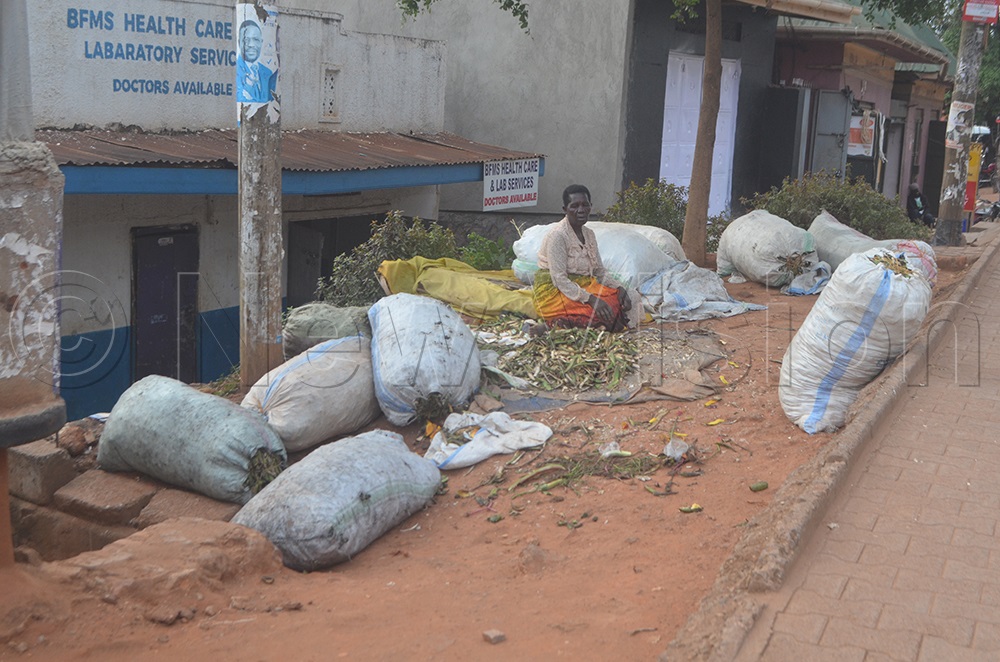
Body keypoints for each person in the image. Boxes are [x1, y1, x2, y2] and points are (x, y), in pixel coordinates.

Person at [532, 184, 639, 332]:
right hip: (554, 292)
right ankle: (552, 326)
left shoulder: (589, 235)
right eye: (574, 206)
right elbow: (559, 280)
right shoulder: (558, 236)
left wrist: (619, 288)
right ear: (565, 209)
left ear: (590, 207)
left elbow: (600, 272)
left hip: (584, 286)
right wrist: (592, 300)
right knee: (598, 310)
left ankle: (607, 326)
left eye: (585, 205)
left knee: (631, 296)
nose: (581, 210)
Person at [237, 20, 276, 103]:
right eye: (246, 40)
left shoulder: (267, 73)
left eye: (256, 40)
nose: (251, 44)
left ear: (261, 42)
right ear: (239, 42)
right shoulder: (235, 71)